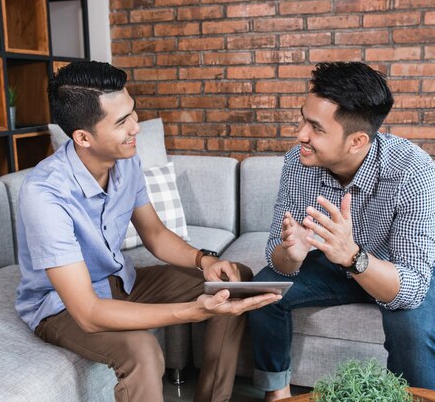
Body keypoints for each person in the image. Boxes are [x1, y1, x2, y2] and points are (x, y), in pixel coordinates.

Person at [15, 61, 281, 402]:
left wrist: (204, 261)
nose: (136, 128)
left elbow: (154, 233)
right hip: (62, 306)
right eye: (122, 122)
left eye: (133, 114)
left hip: (121, 281)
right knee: (143, 349)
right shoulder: (44, 193)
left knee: (233, 280)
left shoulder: (126, 161)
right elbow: (89, 313)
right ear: (83, 137)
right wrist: (194, 311)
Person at [248, 61, 435, 401]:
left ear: (357, 140)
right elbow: (277, 254)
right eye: (303, 118)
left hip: (418, 270)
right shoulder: (296, 163)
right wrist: (291, 256)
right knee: (264, 290)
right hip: (341, 262)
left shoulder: (412, 169)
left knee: (409, 323)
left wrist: (352, 256)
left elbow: (410, 289)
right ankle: (277, 395)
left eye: (316, 128)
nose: (300, 134)